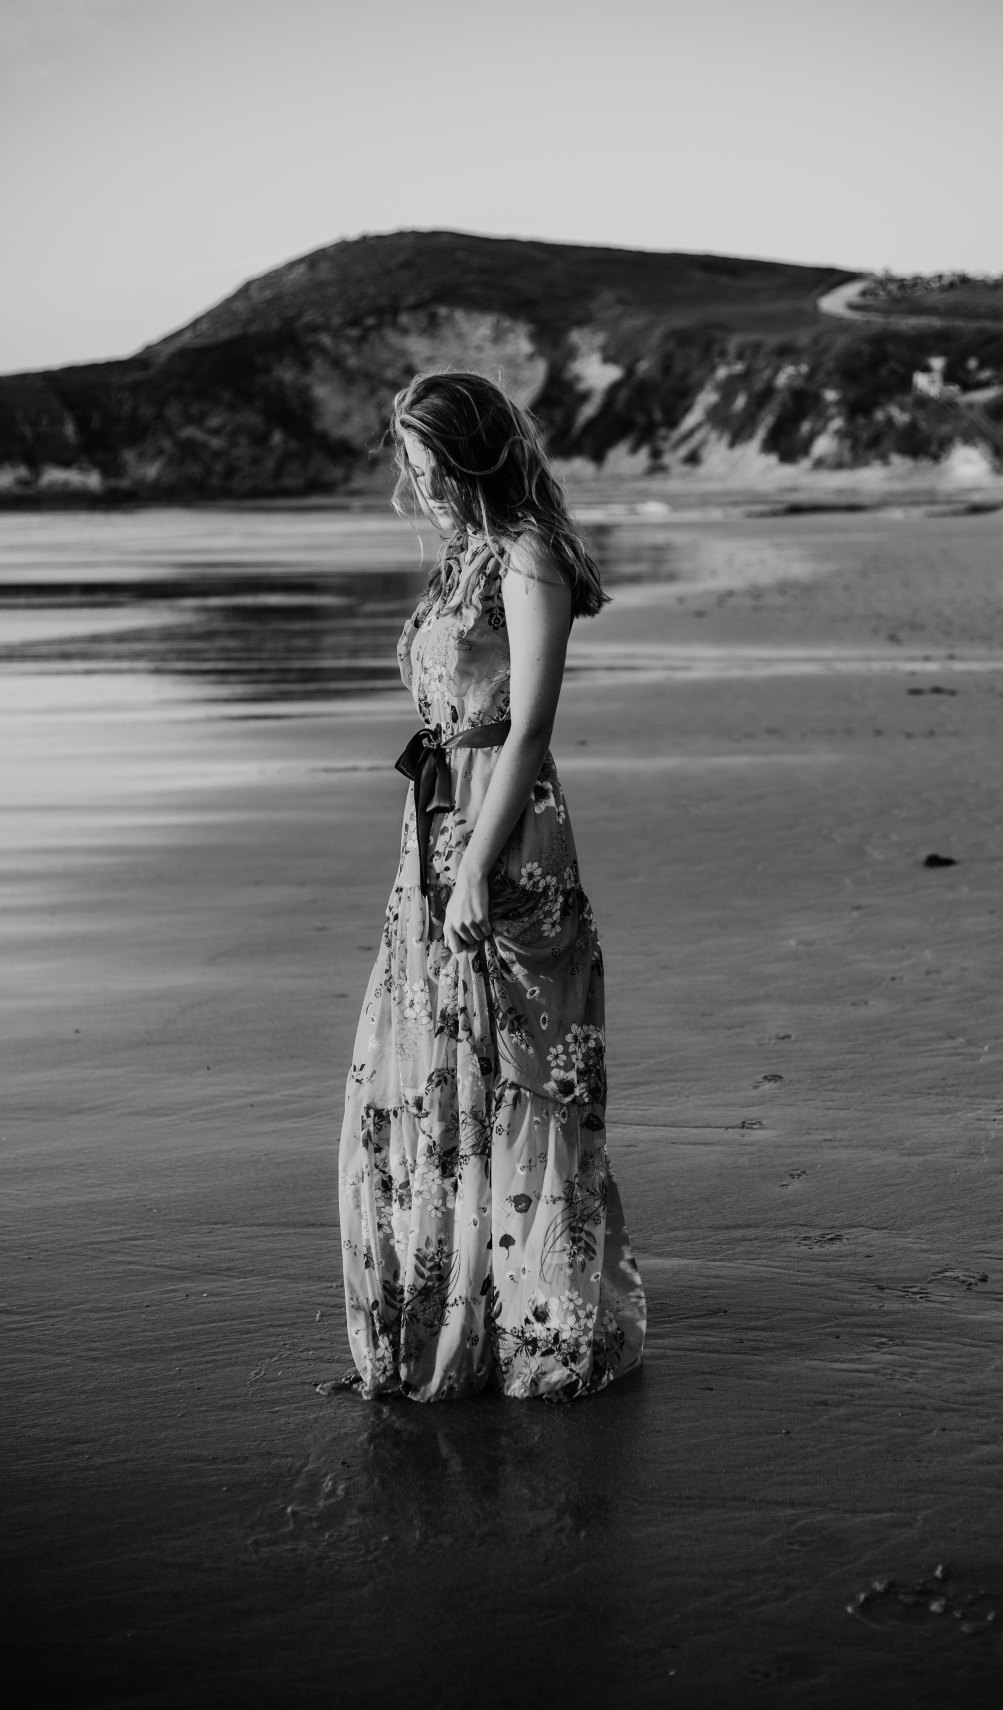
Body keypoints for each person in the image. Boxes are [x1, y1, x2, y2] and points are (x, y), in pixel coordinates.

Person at [334, 371, 646, 1402]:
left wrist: (472, 866)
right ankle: (457, 1308)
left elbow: (529, 728)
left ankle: (543, 1331)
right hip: (437, 834)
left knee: (521, 1075)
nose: (420, 488)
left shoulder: (527, 556)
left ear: (474, 455)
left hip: (504, 844)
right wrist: (438, 859)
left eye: (433, 468)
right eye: (410, 471)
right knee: (449, 1067)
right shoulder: (466, 554)